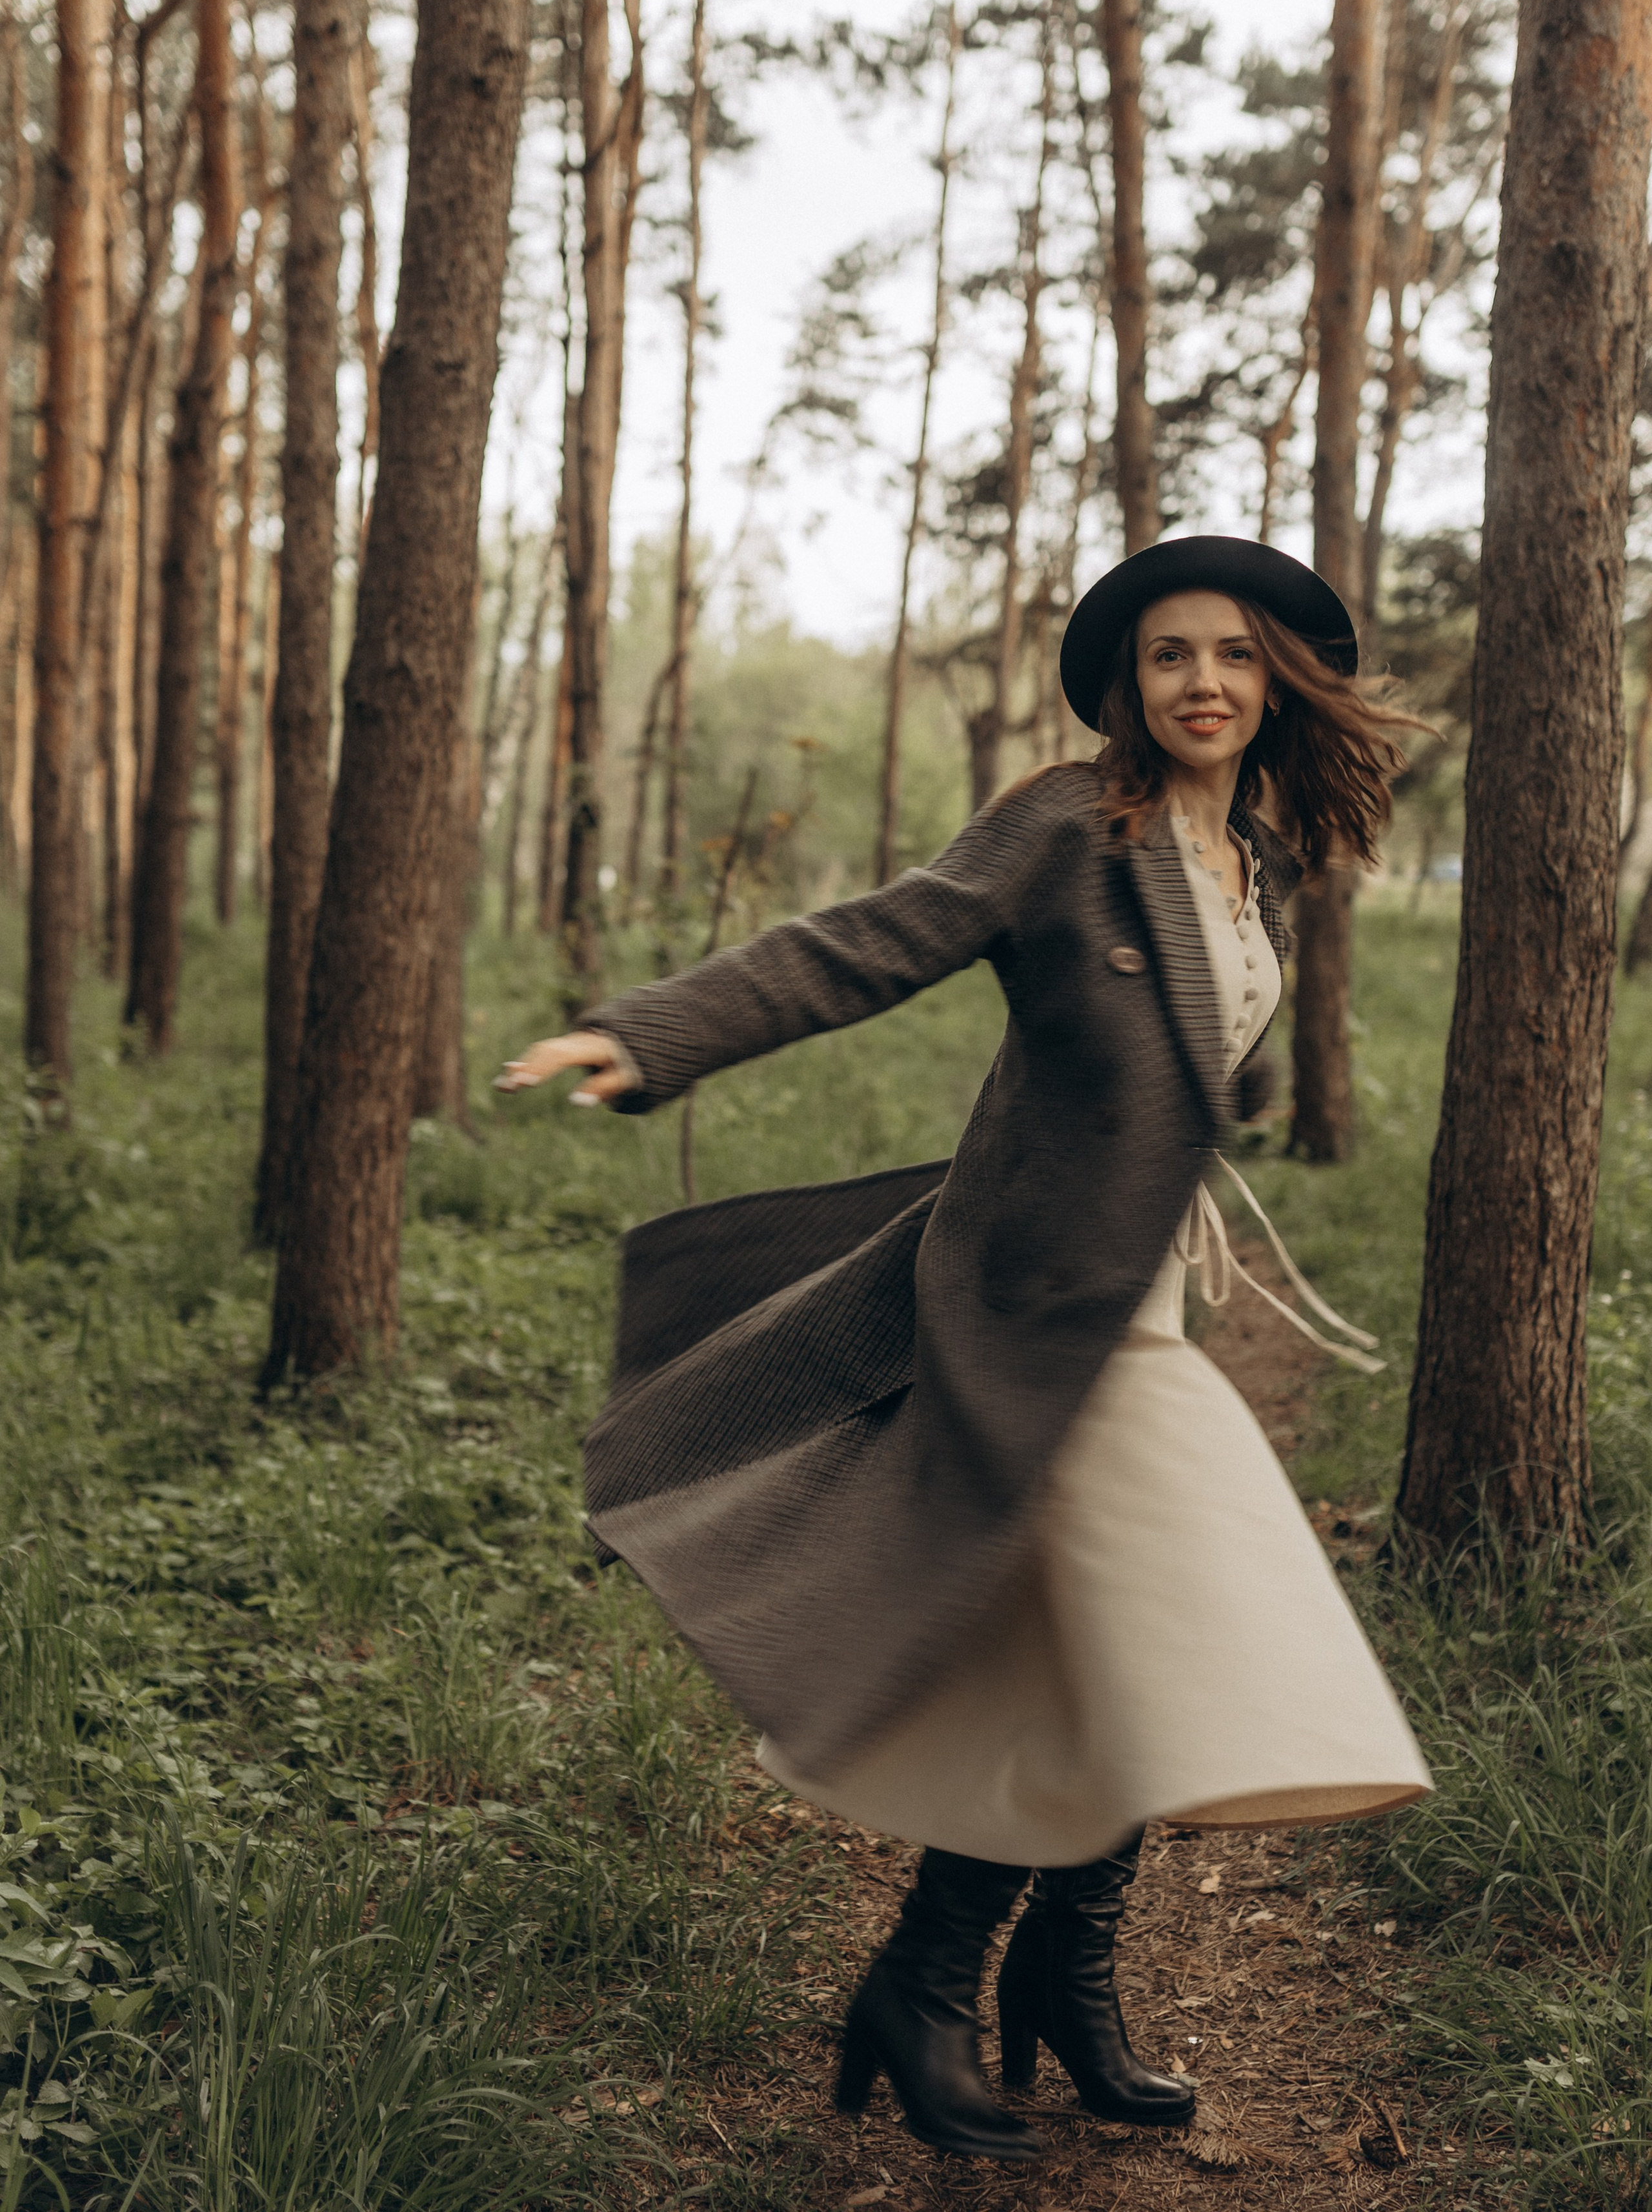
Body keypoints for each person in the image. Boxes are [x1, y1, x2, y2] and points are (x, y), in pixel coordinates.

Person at [498, 536, 1433, 2166]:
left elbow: (1189, 1059)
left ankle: (1039, 1993)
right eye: (1165, 657)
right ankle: (941, 1983)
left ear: (1276, 677)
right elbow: (868, 940)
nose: (1199, 681)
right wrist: (643, 1034)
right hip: (1030, 1306)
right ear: (1126, 686)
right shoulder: (1070, 826)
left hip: (1136, 1303)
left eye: (1229, 653)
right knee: (1183, 1626)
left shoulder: (1257, 858)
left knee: (1091, 1649)